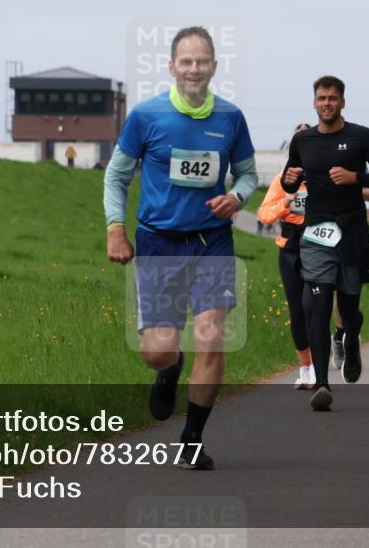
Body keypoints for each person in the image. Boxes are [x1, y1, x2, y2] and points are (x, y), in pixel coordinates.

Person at [103, 26, 257, 470]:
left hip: (211, 241)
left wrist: (238, 197)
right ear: (171, 67)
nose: (194, 69)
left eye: (202, 61)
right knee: (157, 351)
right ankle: (170, 370)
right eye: (185, 61)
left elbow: (247, 174)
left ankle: (192, 438)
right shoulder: (146, 116)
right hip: (158, 243)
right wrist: (116, 228)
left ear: (214, 67)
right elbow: (116, 176)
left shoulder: (230, 118)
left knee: (211, 338)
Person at [281, 75, 369, 411]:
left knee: (348, 306)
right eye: (321, 98)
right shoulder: (303, 140)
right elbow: (290, 181)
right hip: (316, 232)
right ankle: (322, 384)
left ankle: (352, 343)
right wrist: (289, 181)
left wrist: (355, 177)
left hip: (353, 232)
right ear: (314, 102)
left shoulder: (360, 136)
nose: (327, 103)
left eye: (332, 98)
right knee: (316, 302)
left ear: (343, 102)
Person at [258, 122, 342, 388]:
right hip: (290, 249)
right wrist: (285, 202)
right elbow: (264, 215)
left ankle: (321, 364)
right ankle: (305, 367)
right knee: (297, 311)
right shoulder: (280, 181)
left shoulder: (326, 176)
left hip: (319, 248)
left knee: (314, 308)